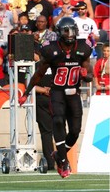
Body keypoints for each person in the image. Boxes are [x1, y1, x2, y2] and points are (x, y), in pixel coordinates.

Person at [19, 17, 93, 178]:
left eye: (72, 30)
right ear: (60, 32)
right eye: (66, 30)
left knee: (75, 131)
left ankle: (59, 155)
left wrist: (85, 74)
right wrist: (26, 93)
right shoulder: (51, 50)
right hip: (58, 92)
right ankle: (64, 162)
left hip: (74, 94)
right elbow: (38, 74)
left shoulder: (83, 48)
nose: (70, 34)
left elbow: (90, 75)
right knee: (58, 120)